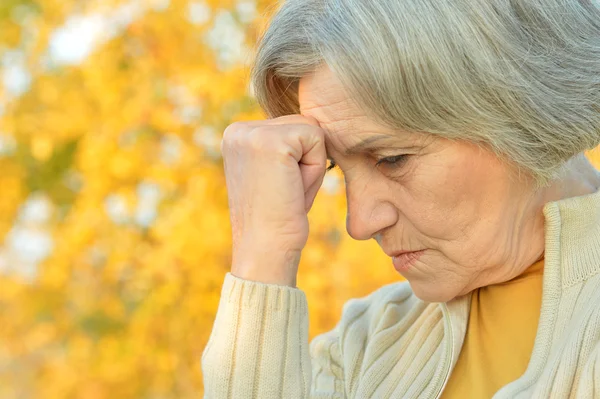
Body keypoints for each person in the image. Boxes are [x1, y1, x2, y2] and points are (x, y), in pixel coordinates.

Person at [202, 0, 600, 397]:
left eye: (392, 159)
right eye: (336, 168)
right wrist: (263, 257)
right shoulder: (363, 346)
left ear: (520, 111)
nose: (359, 224)